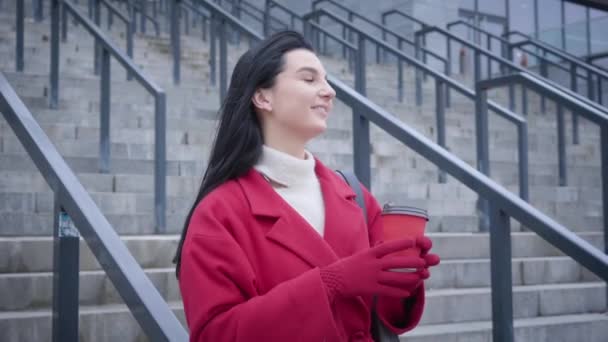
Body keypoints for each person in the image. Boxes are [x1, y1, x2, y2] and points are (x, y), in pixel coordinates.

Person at [174, 30, 440, 342]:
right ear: (263, 96)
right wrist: (332, 282)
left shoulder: (354, 196)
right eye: (309, 79)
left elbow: (385, 313)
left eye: (326, 80)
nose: (329, 92)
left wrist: (404, 277)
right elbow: (215, 335)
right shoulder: (219, 212)